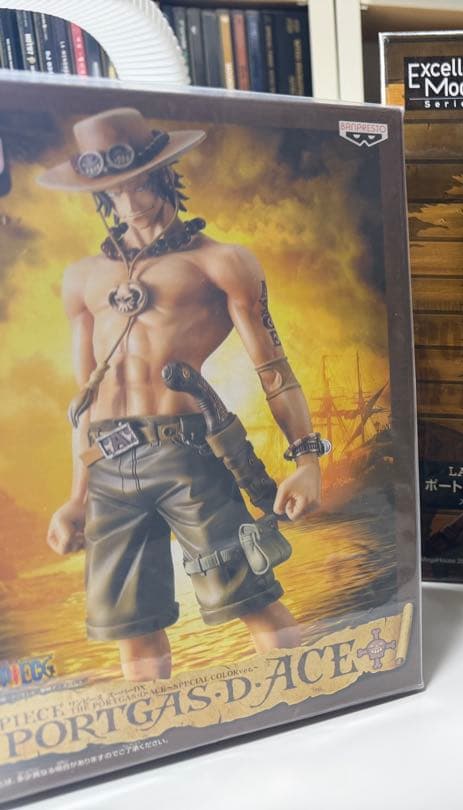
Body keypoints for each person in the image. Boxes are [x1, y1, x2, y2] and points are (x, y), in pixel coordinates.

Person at [39, 108, 328, 681]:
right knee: (132, 627)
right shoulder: (82, 279)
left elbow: (274, 370)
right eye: (113, 191)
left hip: (187, 457)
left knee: (250, 596)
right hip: (107, 466)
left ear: (164, 172)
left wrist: (308, 460)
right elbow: (85, 397)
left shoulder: (220, 263)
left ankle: (306, 700)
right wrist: (76, 496)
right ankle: (153, 728)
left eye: (138, 182)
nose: (129, 200)